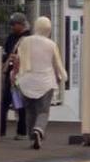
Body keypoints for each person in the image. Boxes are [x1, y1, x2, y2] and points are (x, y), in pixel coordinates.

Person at [14, 16, 66, 150]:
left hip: (26, 81)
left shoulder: (25, 41)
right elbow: (56, 64)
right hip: (45, 82)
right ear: (48, 29)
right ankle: (38, 130)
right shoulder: (51, 44)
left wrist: (14, 76)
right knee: (43, 111)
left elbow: (18, 60)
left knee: (30, 111)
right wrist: (58, 77)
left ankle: (33, 137)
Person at [0, 13, 29, 139]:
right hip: (10, 74)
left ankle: (22, 131)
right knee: (5, 103)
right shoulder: (11, 37)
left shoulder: (28, 38)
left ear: (21, 24)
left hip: (21, 75)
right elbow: (5, 54)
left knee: (20, 104)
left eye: (14, 24)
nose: (12, 27)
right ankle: (0, 130)